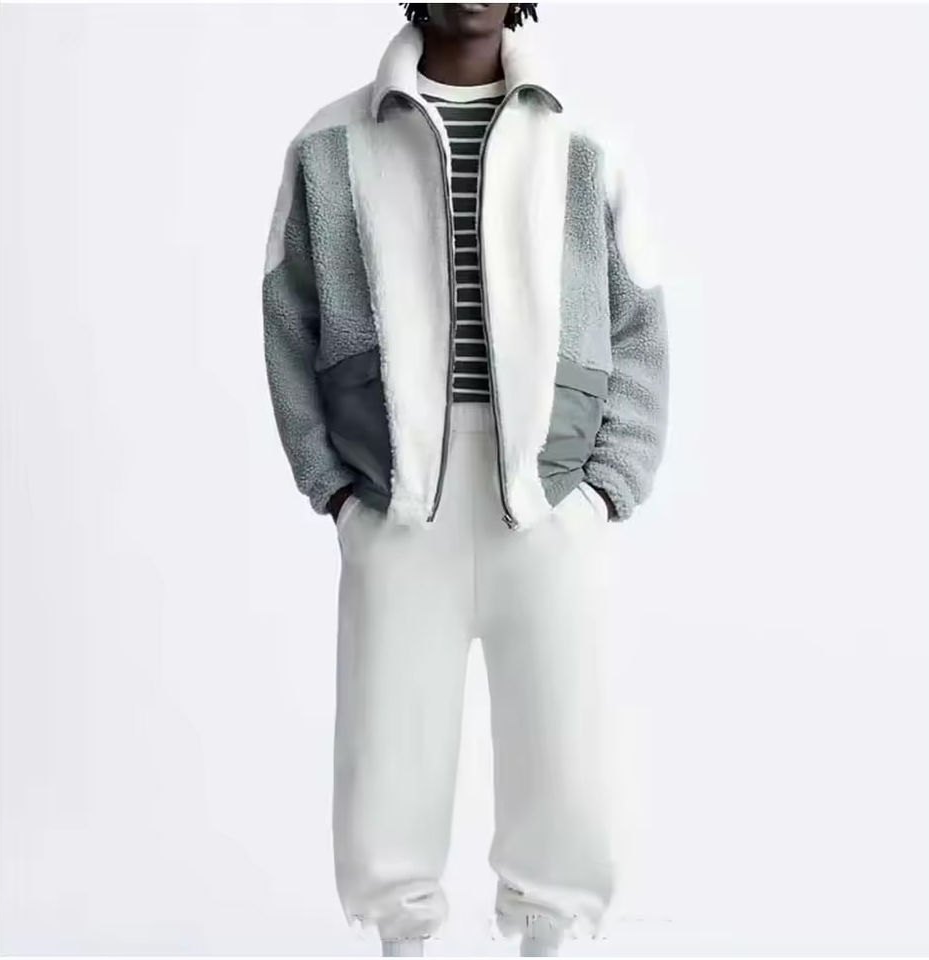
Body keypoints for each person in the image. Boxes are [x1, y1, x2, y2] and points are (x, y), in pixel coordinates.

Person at [261, 3, 669, 956]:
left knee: (566, 749)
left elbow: (640, 322)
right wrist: (335, 489)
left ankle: (551, 937)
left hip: (550, 499)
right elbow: (286, 318)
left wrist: (606, 487)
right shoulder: (330, 145)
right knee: (388, 747)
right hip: (398, 500)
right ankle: (401, 941)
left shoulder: (584, 145)